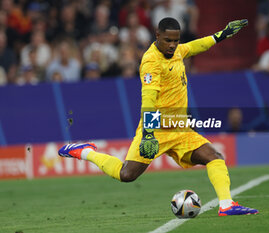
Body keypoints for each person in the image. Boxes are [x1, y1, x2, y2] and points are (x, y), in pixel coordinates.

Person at [58, 17, 258, 216]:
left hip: (180, 127)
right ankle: (84, 152)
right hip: (157, 129)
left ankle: (226, 205)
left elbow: (197, 46)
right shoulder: (151, 62)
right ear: (157, 36)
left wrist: (222, 34)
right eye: (168, 40)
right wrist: (147, 134)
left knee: (214, 157)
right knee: (126, 175)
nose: (172, 45)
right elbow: (149, 101)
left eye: (176, 41)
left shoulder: (178, 51)